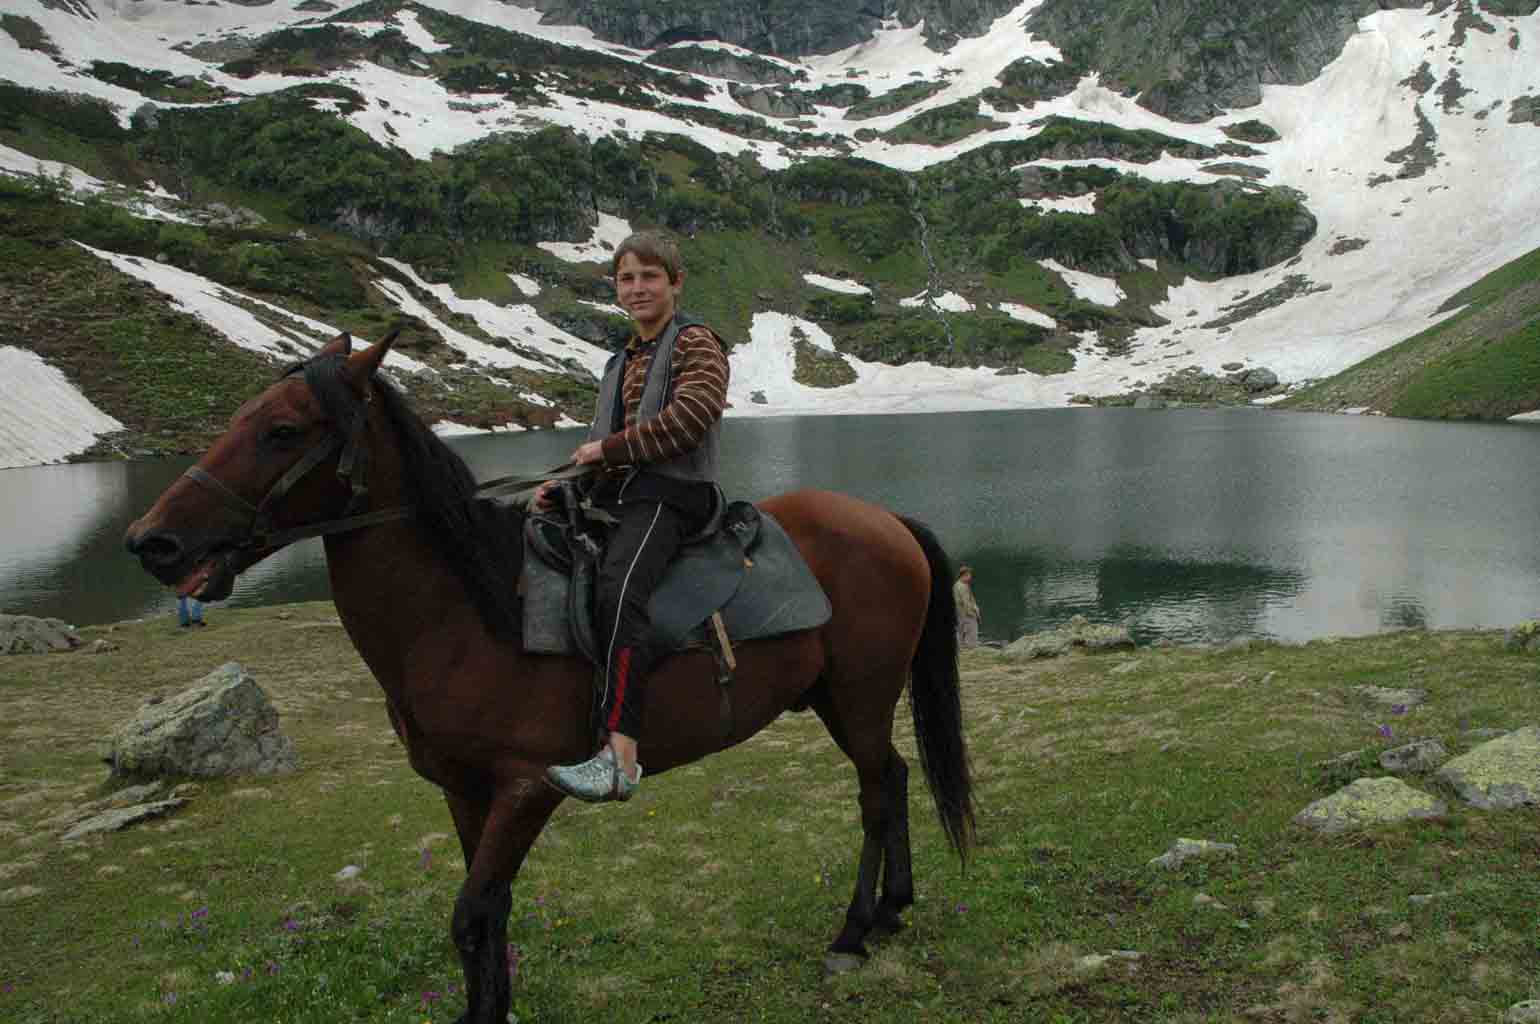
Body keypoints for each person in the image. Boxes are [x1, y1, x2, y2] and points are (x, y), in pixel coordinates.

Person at [542, 231, 730, 803]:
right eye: (627, 278)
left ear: (676, 283)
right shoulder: (619, 361)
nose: (637, 288)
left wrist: (608, 451)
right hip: (623, 492)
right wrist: (563, 481)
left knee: (620, 588)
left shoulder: (697, 343)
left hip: (675, 493)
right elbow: (599, 442)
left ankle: (621, 756)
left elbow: (691, 418)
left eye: (650, 276)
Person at [953, 566, 980, 648]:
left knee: (960, 631)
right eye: (969, 575)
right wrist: (973, 614)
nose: (970, 577)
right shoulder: (962, 587)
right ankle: (970, 647)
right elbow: (966, 602)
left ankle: (961, 647)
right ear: (964, 575)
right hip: (966, 614)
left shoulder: (957, 585)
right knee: (971, 632)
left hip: (959, 613)